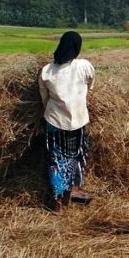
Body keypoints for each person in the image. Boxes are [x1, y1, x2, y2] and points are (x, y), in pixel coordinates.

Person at [38, 31, 96, 211]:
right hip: (78, 121)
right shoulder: (83, 66)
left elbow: (44, 99)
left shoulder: (47, 70)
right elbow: (91, 85)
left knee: (57, 159)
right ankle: (72, 190)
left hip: (55, 121)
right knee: (78, 155)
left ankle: (57, 201)